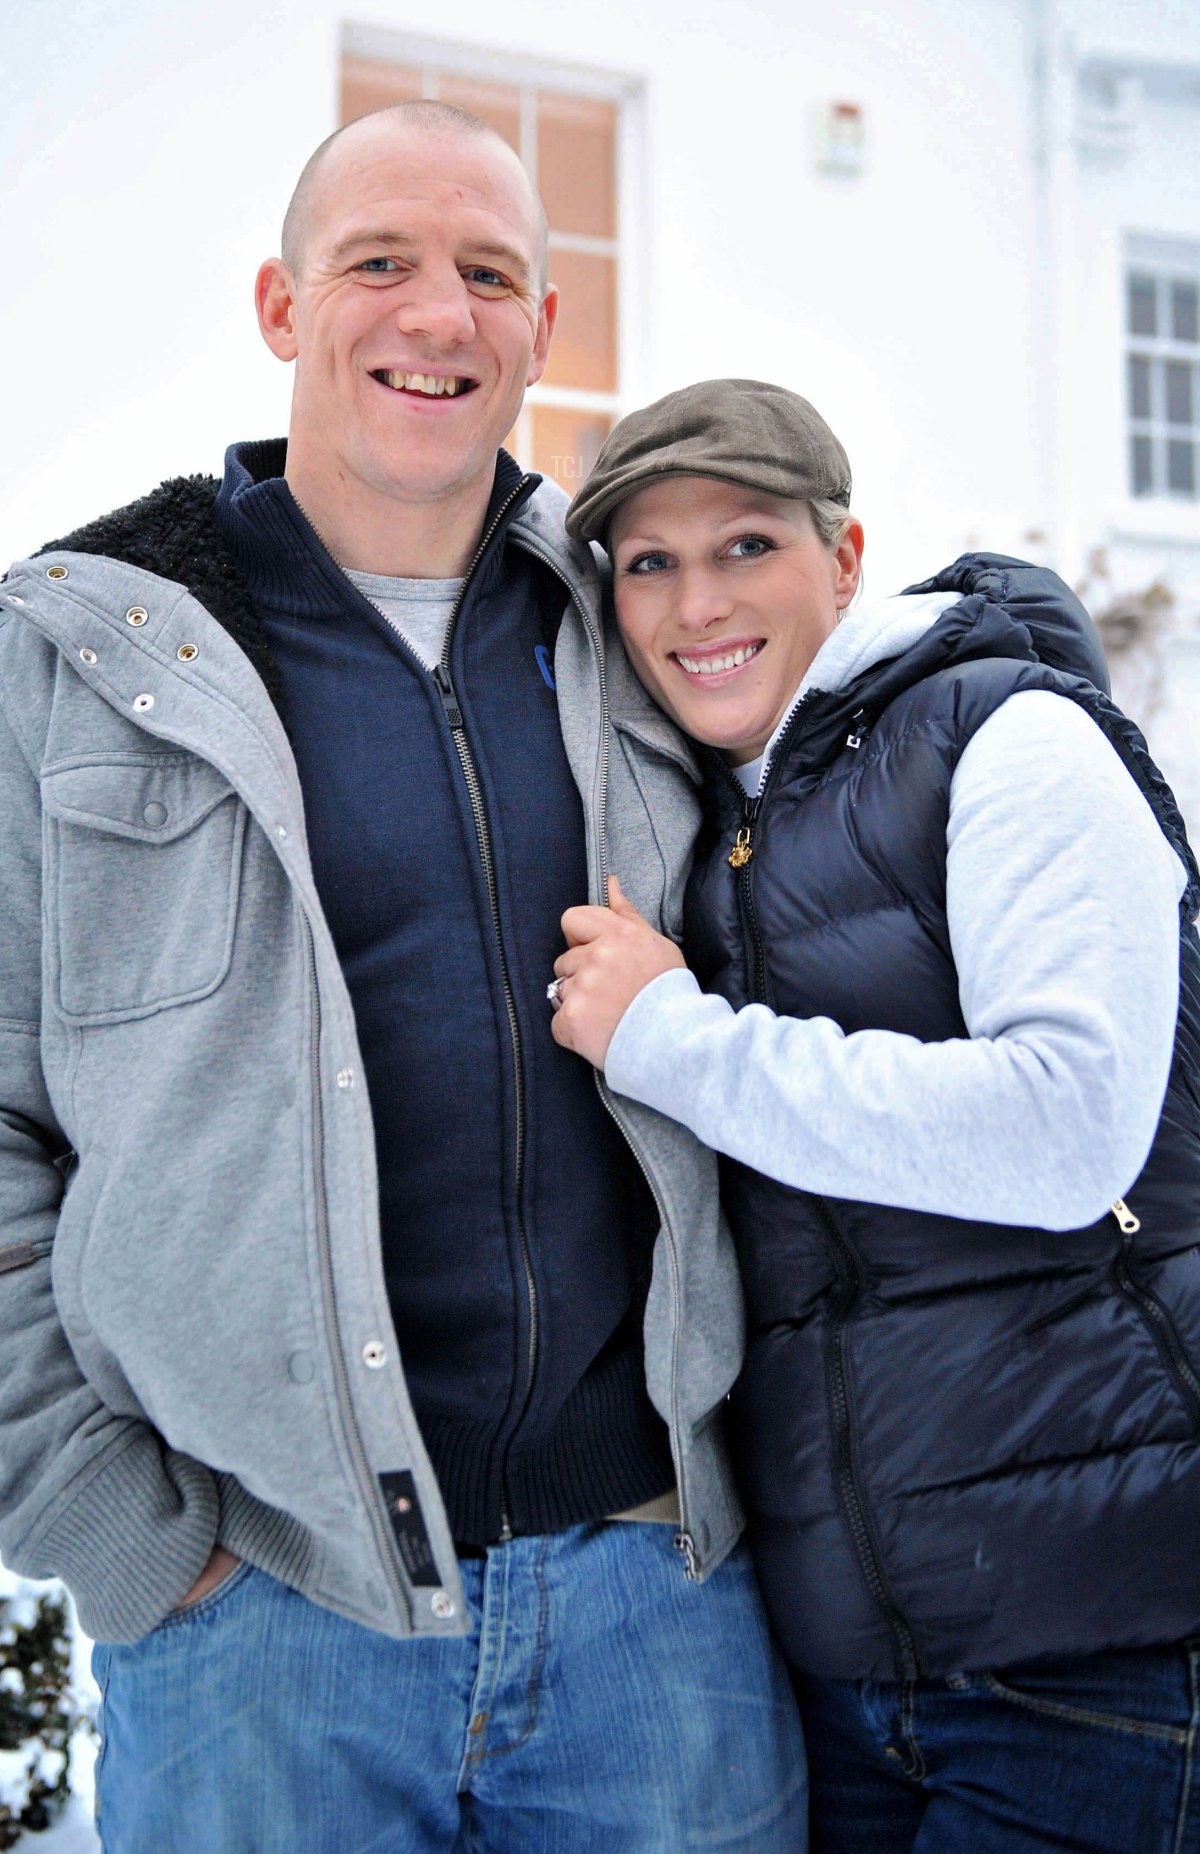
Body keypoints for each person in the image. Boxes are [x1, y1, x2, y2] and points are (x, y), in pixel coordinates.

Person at [0, 125, 807, 1851]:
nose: (437, 312)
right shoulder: (74, 662)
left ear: (544, 322)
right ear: (285, 304)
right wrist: (137, 1540)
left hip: (654, 1608)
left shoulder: (643, 635)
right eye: (380, 261)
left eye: (490, 274)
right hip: (266, 1626)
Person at [552, 377, 1200, 1852]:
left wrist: (672, 1037)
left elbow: (1066, 1126)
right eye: (648, 561)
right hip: (848, 1665)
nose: (696, 600)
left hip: (1093, 1643)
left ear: (845, 561)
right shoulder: (720, 826)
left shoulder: (1010, 741)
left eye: (745, 545)